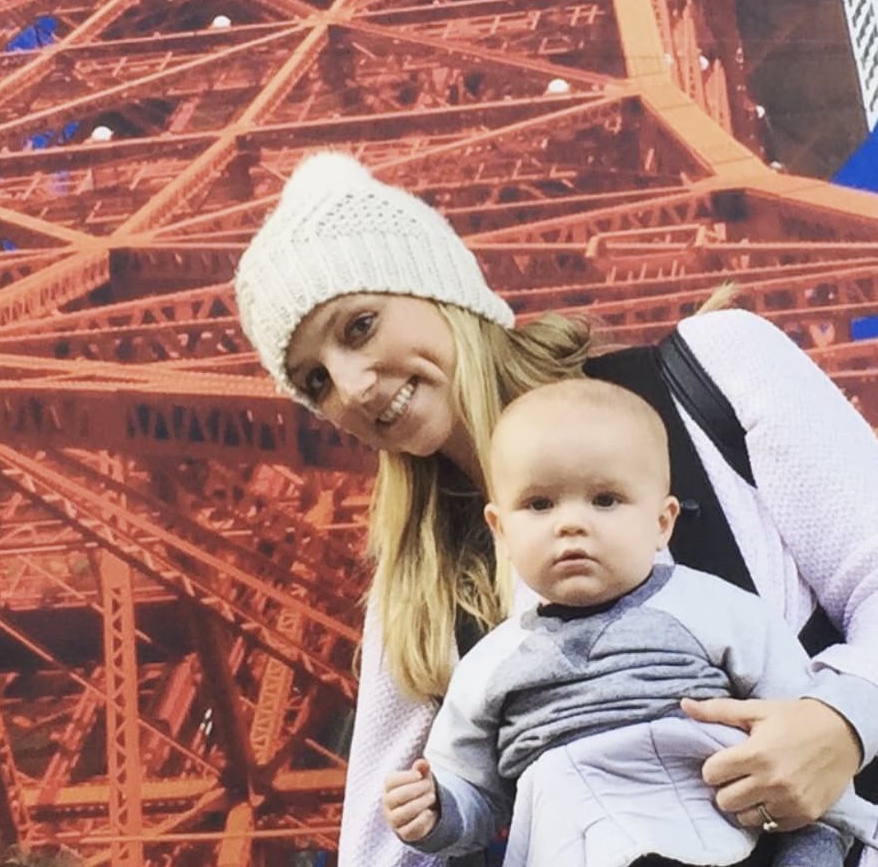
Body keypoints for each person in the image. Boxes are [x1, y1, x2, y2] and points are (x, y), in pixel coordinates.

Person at [233, 151, 878, 867]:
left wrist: (842, 721)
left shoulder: (714, 375)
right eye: (314, 381)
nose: (350, 388)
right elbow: (385, 851)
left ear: (441, 289)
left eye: (359, 326)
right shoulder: (416, 592)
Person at [380, 377, 877, 864]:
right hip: (570, 830)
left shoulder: (716, 608)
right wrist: (437, 809)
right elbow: (475, 795)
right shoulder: (487, 665)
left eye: (605, 500)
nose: (570, 523)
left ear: (662, 523)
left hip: (717, 817)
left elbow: (795, 725)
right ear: (502, 531)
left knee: (813, 829)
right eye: (538, 504)